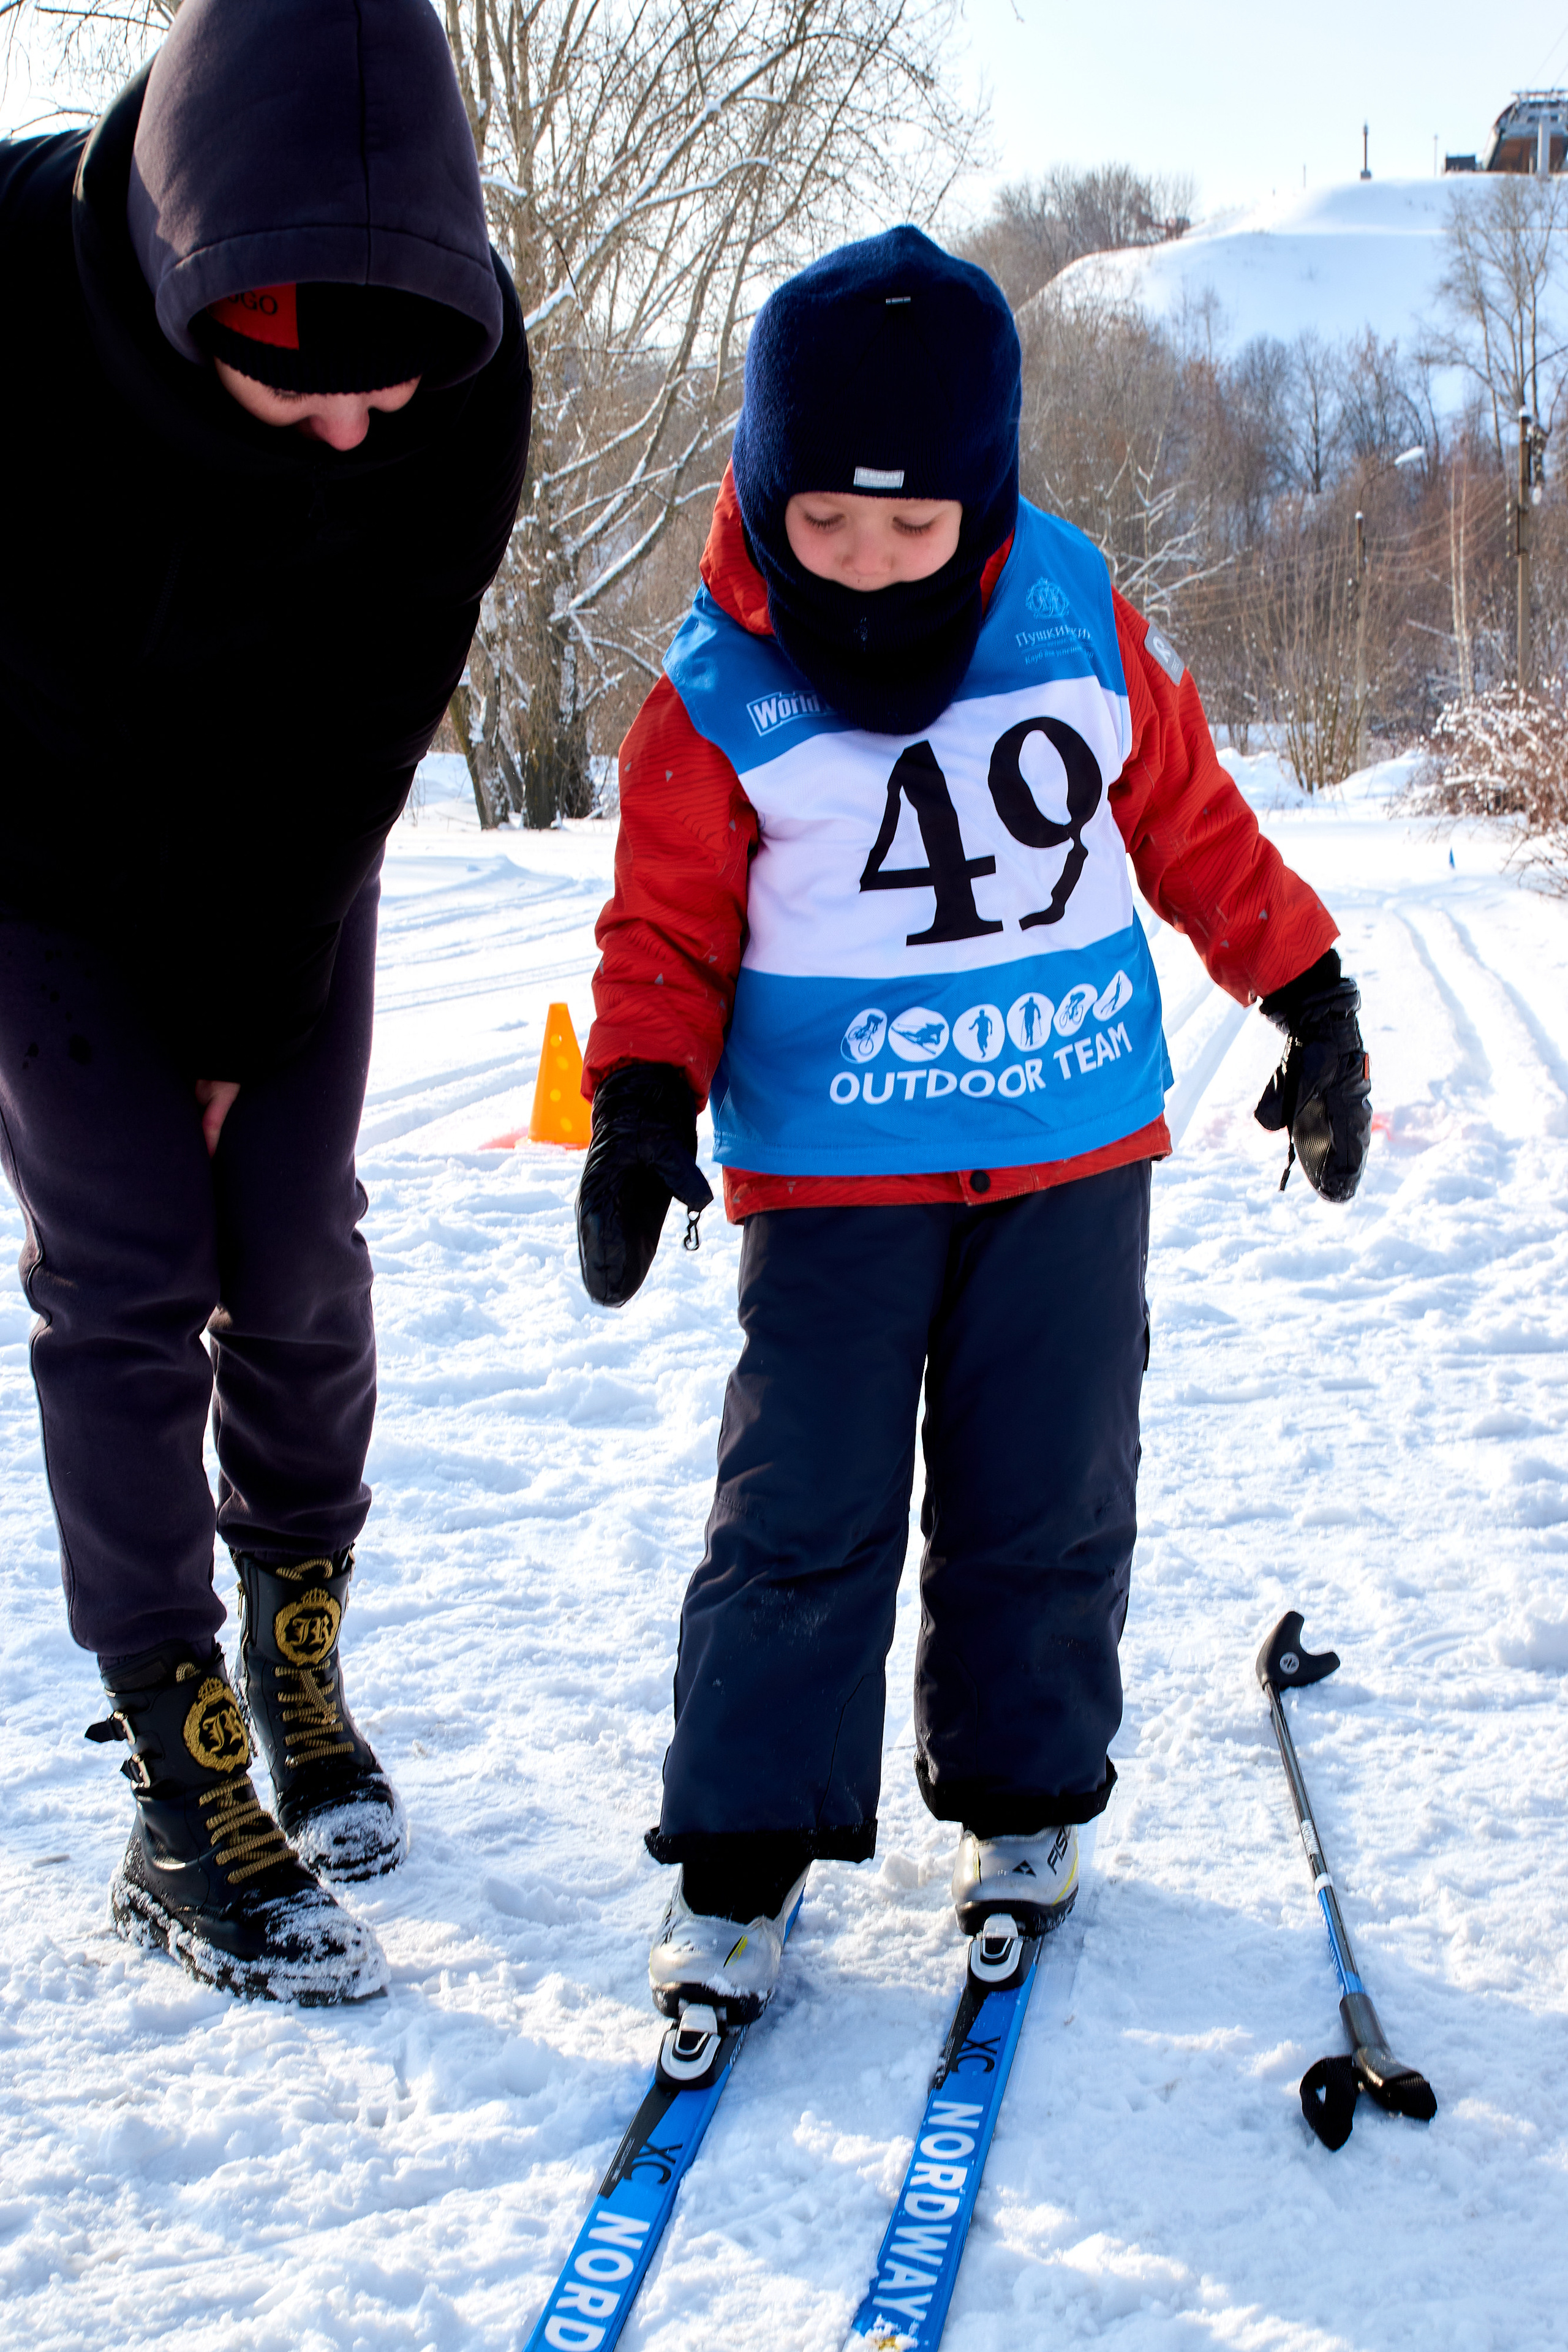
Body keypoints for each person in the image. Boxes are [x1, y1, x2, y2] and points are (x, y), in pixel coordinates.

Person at [575, 228, 1370, 2024]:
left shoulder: (1073, 607)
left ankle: (1022, 1802)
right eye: (824, 526)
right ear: (768, 491)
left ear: (985, 502)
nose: (864, 563)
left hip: (1072, 1146)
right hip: (837, 1174)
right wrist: (636, 1107)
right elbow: (669, 928)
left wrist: (1310, 998)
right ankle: (743, 1853)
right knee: (804, 1507)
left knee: (1048, 1490)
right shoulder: (717, 684)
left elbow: (1194, 829)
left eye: (913, 528)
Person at [0, 0, 531, 2002]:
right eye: (296, 391)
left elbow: (377, 706)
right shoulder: (12, 297)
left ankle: (294, 1648)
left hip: (282, 846)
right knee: (126, 1261)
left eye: (390, 397)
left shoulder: (459, 383)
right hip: (35, 858)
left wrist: (246, 1001)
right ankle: (177, 1772)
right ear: (174, 276)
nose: (350, 435)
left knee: (294, 1241)